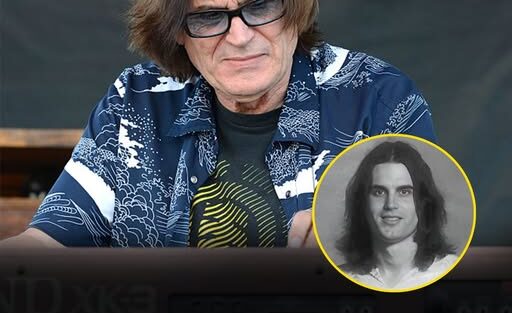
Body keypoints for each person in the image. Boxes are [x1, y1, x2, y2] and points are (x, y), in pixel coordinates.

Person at [2, 0, 435, 248]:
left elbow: (431, 245)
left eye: (261, 6)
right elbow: (50, 240)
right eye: (208, 16)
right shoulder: (137, 100)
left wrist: (359, 241)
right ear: (176, 32)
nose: (240, 37)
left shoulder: (376, 96)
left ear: (295, 10)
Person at [338, 140, 457, 289]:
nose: (390, 204)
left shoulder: (455, 272)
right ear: (362, 203)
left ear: (424, 202)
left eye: (404, 192)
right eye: (379, 192)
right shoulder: (339, 279)